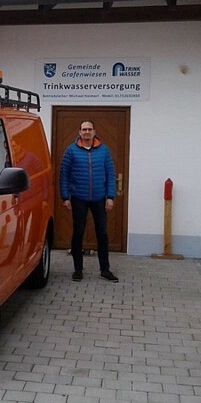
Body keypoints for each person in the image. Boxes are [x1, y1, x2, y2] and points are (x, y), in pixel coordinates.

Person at [60, 120, 118, 282]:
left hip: (99, 199)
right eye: (84, 129)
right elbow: (63, 174)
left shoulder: (104, 150)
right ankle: (78, 270)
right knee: (78, 233)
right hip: (79, 198)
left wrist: (110, 197)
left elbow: (110, 174)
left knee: (102, 234)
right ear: (79, 132)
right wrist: (65, 197)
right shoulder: (71, 151)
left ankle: (105, 270)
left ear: (94, 131)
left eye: (89, 129)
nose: (87, 132)